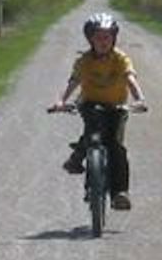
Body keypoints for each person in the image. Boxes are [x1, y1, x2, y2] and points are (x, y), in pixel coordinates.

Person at [48, 11, 146, 210]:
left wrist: (140, 99)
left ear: (114, 38)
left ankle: (120, 192)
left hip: (117, 107)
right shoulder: (84, 61)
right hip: (90, 103)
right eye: (98, 37)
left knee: (116, 146)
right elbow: (74, 82)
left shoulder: (120, 59)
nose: (103, 41)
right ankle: (80, 164)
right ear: (90, 39)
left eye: (107, 37)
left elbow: (130, 79)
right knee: (93, 132)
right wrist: (60, 101)